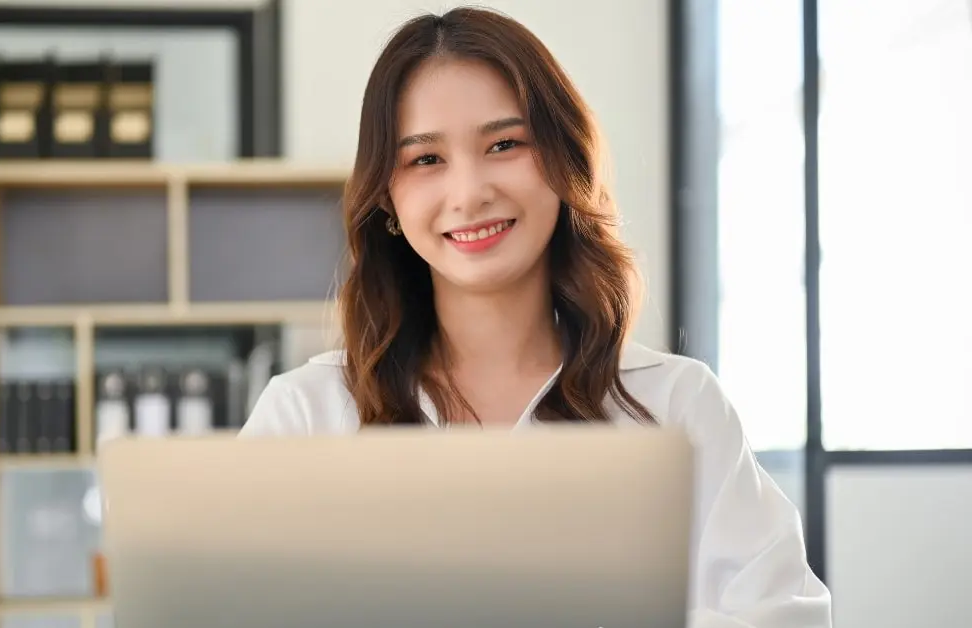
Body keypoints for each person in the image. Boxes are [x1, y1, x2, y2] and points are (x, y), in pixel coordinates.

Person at [240, 6, 832, 627]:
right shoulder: (305, 414)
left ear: (562, 160)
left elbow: (785, 616)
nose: (469, 193)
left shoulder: (676, 404)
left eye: (505, 144)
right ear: (387, 196)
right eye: (426, 159)